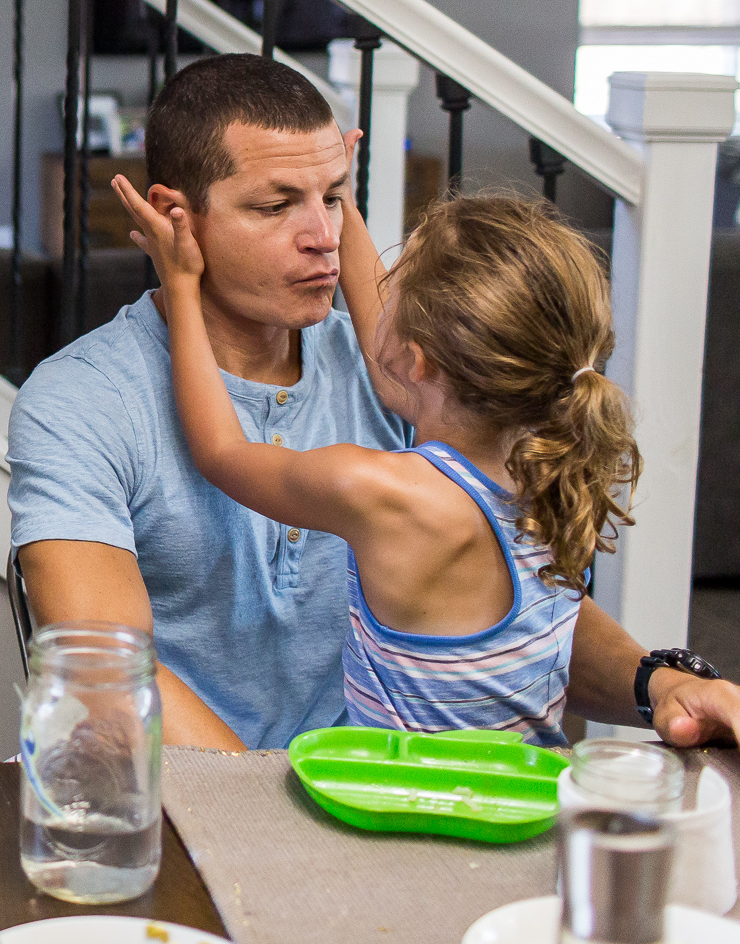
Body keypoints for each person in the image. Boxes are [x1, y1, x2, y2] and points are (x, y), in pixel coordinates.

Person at [10, 54, 740, 779]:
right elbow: (104, 674)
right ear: (176, 216)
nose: (320, 237)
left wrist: (666, 682)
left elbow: (504, 615)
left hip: (406, 810)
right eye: (274, 206)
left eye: (333, 198)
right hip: (216, 809)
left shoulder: (405, 373)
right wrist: (277, 830)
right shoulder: (81, 400)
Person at [119, 162, 636, 746]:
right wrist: (336, 194)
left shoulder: (381, 491)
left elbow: (220, 449)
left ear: (420, 360)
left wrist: (181, 283)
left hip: (417, 821)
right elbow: (397, 358)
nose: (372, 284)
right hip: (531, 803)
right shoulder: (556, 471)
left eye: (392, 282)